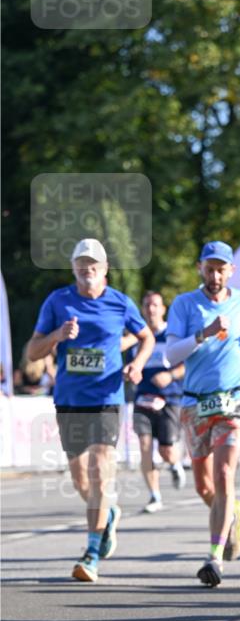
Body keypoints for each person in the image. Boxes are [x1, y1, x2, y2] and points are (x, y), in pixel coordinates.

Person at [27, 238, 155, 582]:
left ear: (104, 270)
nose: (87, 269)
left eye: (93, 264)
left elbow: (147, 337)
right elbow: (32, 353)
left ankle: (92, 552)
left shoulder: (120, 303)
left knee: (100, 471)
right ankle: (109, 513)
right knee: (81, 478)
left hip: (106, 398)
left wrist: (139, 364)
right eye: (81, 264)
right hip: (69, 400)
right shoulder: (57, 301)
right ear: (73, 268)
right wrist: (57, 334)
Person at [165, 241, 240, 586]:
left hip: (232, 401)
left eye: (221, 268)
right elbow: (171, 356)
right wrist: (203, 334)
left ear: (231, 270)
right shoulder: (184, 304)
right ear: (200, 267)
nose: (215, 275)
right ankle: (234, 513)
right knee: (204, 486)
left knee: (225, 474)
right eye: (209, 268)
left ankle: (214, 557)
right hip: (194, 402)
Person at [122, 291, 187, 513]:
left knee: (167, 450)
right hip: (143, 398)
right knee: (144, 446)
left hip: (170, 397)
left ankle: (174, 463)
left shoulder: (173, 334)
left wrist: (170, 375)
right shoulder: (135, 338)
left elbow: (187, 365)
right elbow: (131, 366)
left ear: (163, 309)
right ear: (142, 309)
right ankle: (154, 495)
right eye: (147, 305)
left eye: (155, 305)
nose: (151, 309)